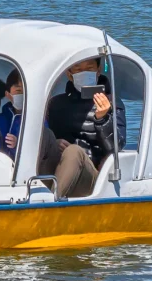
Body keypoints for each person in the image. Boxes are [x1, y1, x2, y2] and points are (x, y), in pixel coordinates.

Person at [39, 68, 117, 197]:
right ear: (69, 75)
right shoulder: (56, 103)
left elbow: (116, 146)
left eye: (89, 68)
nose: (84, 72)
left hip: (90, 176)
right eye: (79, 69)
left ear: (98, 72)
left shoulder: (112, 102)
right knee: (45, 135)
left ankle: (51, 203)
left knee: (74, 151)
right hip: (58, 168)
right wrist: (56, 142)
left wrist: (102, 119)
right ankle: (24, 188)